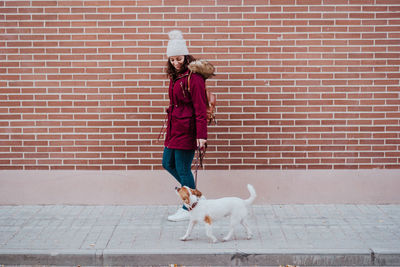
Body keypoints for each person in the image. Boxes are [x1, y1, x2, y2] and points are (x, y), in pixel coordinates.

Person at [162, 30, 209, 222]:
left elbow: (200, 108)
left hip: (188, 129)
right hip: (174, 127)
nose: (175, 63)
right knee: (167, 163)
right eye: (172, 59)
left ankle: (188, 206)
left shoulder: (194, 78)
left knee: (182, 168)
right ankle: (197, 196)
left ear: (186, 56)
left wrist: (201, 135)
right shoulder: (176, 77)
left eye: (179, 58)